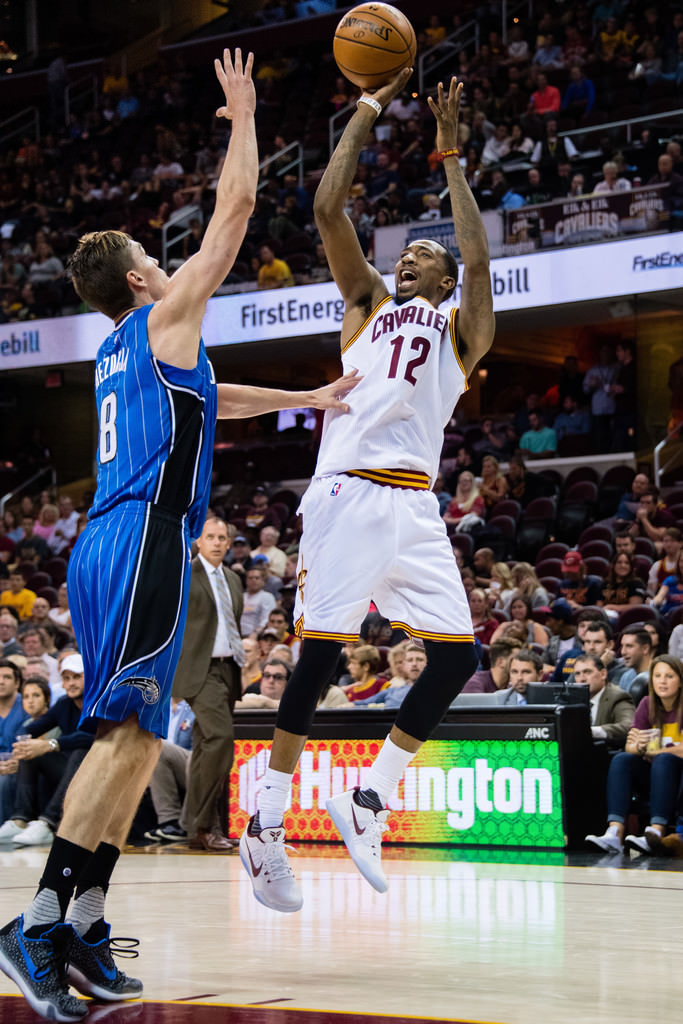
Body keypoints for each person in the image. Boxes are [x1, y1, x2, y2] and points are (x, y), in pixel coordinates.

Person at [0, 50, 360, 1022]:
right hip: (143, 539)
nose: (171, 263)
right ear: (135, 275)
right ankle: (32, 923)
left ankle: (78, 918)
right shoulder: (162, 312)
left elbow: (212, 400)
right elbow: (234, 218)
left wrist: (311, 396)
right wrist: (243, 115)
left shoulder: (136, 352)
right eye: (156, 259)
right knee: (120, 738)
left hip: (117, 541)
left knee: (134, 733)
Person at [239, 72, 494, 913]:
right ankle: (265, 822)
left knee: (456, 656)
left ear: (447, 279)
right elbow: (326, 210)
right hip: (348, 492)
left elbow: (478, 255)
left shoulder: (463, 330)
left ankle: (367, 797)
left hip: (414, 506)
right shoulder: (364, 304)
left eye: (426, 253)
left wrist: (450, 156)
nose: (408, 255)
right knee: (318, 655)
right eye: (406, 251)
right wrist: (368, 108)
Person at [171, 516, 244, 852]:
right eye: (210, 537)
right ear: (197, 541)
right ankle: (203, 825)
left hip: (229, 668)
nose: (216, 542)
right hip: (199, 671)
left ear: (229, 543)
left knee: (204, 747)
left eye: (222, 537)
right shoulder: (184, 574)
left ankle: (194, 827)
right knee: (220, 739)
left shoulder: (233, 579)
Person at [586, 655, 683, 855]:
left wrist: (654, 751)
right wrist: (638, 747)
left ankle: (655, 831)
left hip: (678, 778)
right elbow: (630, 745)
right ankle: (615, 832)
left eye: (669, 676)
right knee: (622, 759)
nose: (662, 681)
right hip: (654, 776)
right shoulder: (647, 703)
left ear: (680, 680)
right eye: (657, 676)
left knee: (664, 759)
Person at [573, 653, 635, 747]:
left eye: (587, 672)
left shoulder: (618, 696)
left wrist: (592, 731)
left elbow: (628, 726)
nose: (582, 679)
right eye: (577, 674)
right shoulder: (572, 699)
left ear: (603, 674)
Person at [353, 645, 428, 708]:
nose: (414, 664)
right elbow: (361, 703)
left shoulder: (437, 692)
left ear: (428, 664)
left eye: (419, 660)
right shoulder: (392, 691)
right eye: (410, 660)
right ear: (404, 665)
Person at [616, 626, 655, 694]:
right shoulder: (626, 677)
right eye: (622, 646)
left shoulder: (658, 677)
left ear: (645, 648)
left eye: (629, 646)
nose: (623, 652)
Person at [648, 528, 682, 596]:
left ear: (681, 543)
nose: (669, 545)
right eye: (666, 541)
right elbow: (651, 592)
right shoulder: (657, 566)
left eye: (672, 541)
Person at [652, 548, 683, 617]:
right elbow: (660, 596)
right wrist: (654, 602)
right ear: (678, 563)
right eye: (681, 561)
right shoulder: (670, 580)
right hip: (667, 616)